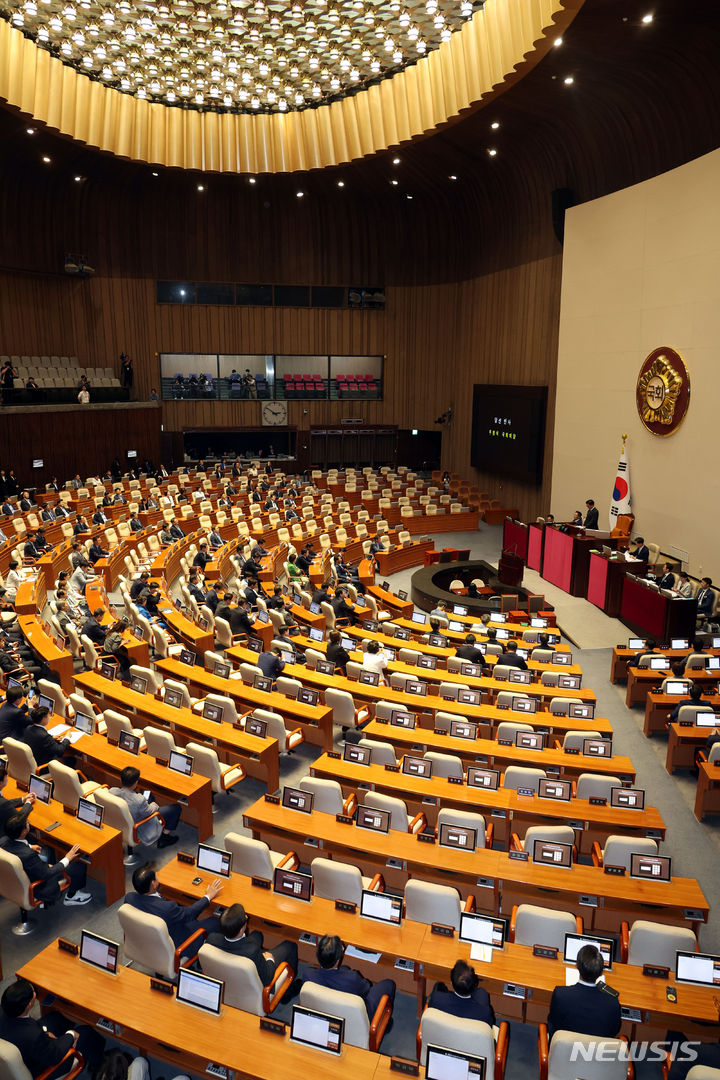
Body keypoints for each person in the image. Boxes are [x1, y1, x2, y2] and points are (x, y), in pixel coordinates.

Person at [0, 978, 105, 1079]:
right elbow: (55, 1056)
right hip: (45, 1068)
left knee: (57, 1017)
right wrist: (71, 1035)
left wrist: (44, 1036)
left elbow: (31, 1033)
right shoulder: (34, 1035)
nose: (34, 992)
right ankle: (99, 1064)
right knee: (86, 1032)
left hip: (25, 1050)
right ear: (29, 1004)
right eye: (33, 991)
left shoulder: (5, 1010)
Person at [124, 863, 222, 957]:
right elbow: (189, 914)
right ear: (153, 884)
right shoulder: (167, 908)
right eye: (156, 876)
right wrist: (208, 896)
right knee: (215, 921)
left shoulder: (129, 898)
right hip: (179, 943)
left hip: (148, 941)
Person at [4, 811, 92, 905]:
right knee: (79, 866)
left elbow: (17, 849)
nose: (29, 822)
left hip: (17, 879)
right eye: (27, 823)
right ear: (24, 831)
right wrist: (67, 858)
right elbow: (47, 873)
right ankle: (71, 897)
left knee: (47, 848)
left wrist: (29, 846)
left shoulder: (3, 841)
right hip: (41, 884)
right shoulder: (28, 855)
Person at [300, 935, 396, 1019]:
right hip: (359, 1017)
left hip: (324, 1011)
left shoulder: (308, 975)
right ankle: (384, 1019)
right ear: (338, 960)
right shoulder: (352, 979)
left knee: (345, 968)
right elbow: (366, 988)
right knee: (389, 984)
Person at [205, 903, 298, 984]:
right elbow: (267, 979)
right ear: (242, 928)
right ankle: (289, 989)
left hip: (226, 973)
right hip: (258, 980)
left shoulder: (211, 938)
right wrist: (269, 959)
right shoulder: (252, 951)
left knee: (257, 934)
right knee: (290, 944)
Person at [546, 944, 621, 1041]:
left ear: (577, 966)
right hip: (594, 1054)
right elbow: (614, 1031)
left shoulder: (560, 995)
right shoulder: (613, 1003)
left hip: (563, 1051)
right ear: (601, 972)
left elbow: (553, 1025)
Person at [109, 766, 181, 848]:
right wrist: (154, 804)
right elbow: (150, 811)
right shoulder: (138, 800)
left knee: (148, 794)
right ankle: (164, 838)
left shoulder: (112, 791)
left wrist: (141, 798)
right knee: (176, 808)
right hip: (140, 823)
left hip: (123, 821)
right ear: (136, 782)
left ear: (121, 780)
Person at [428, 959, 495, 1024]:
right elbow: (489, 1025)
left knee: (438, 985)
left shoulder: (436, 999)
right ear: (475, 985)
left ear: (451, 983)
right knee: (481, 993)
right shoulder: (483, 1013)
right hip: (469, 1034)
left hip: (442, 1034)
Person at [0, 757, 35, 832]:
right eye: (6, 776)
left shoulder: (4, 803)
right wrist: (28, 803)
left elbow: (6, 804)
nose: (8, 777)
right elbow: (19, 818)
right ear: (1, 783)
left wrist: (23, 799)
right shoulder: (3, 804)